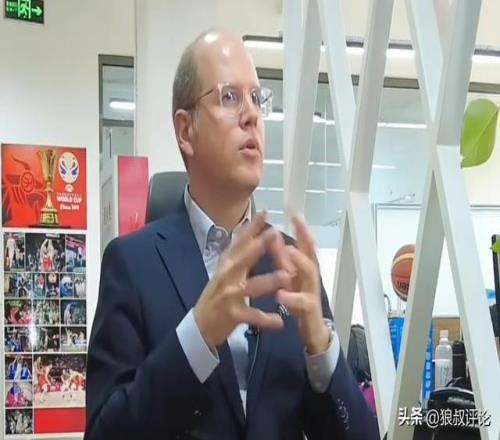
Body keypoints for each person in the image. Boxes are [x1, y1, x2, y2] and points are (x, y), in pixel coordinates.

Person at [85, 30, 379, 440]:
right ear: (185, 130)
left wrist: (321, 348)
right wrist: (197, 336)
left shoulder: (290, 265)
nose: (252, 115)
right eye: (229, 96)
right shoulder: (132, 265)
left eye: (257, 98)